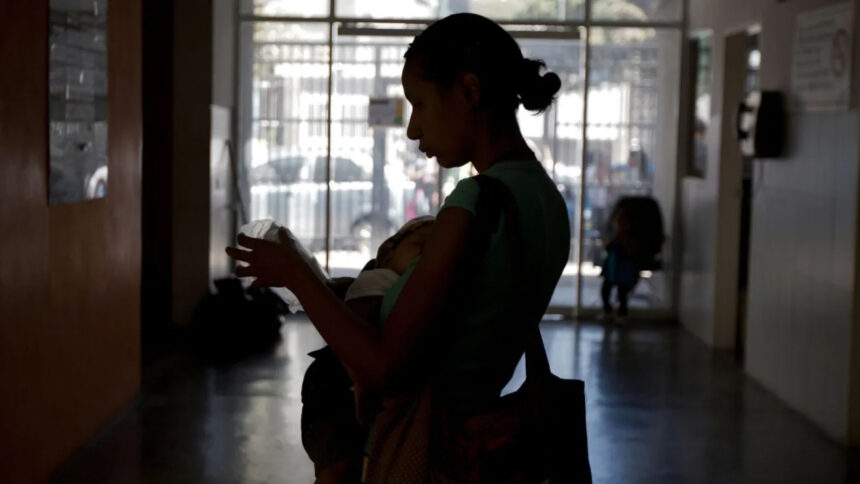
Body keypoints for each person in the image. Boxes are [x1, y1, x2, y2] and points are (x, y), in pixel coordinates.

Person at [226, 12, 569, 481]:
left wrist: (297, 277)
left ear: (469, 91)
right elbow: (469, 311)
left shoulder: (476, 201)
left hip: (422, 447)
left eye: (420, 104)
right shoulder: (545, 199)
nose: (412, 129)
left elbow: (385, 367)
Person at [599, 205, 639, 323]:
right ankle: (608, 311)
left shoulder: (630, 239)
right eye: (618, 223)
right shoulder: (614, 237)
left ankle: (622, 314)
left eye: (622, 223)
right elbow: (607, 248)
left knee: (622, 294)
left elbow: (630, 252)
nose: (619, 225)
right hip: (612, 270)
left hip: (623, 272)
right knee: (605, 291)